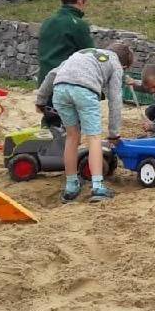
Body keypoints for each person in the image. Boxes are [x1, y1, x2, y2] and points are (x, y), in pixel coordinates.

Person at [36, 43, 134, 202]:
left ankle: (71, 186)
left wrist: (40, 100)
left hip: (60, 89)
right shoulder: (116, 64)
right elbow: (115, 100)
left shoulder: (83, 53)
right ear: (124, 65)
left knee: (72, 136)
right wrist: (114, 133)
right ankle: (98, 187)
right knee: (93, 138)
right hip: (85, 90)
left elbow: (53, 74)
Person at [37, 0, 95, 85]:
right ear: (81, 1)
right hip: (64, 82)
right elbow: (89, 55)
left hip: (44, 80)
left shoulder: (47, 21)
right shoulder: (78, 24)